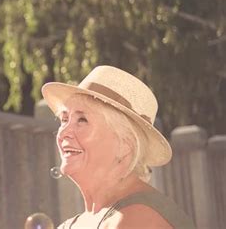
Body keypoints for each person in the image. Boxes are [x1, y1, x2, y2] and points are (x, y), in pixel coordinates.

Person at [41, 65, 195, 229]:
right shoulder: (73, 224)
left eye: (82, 120)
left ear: (125, 146)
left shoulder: (139, 219)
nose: (63, 132)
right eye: (64, 119)